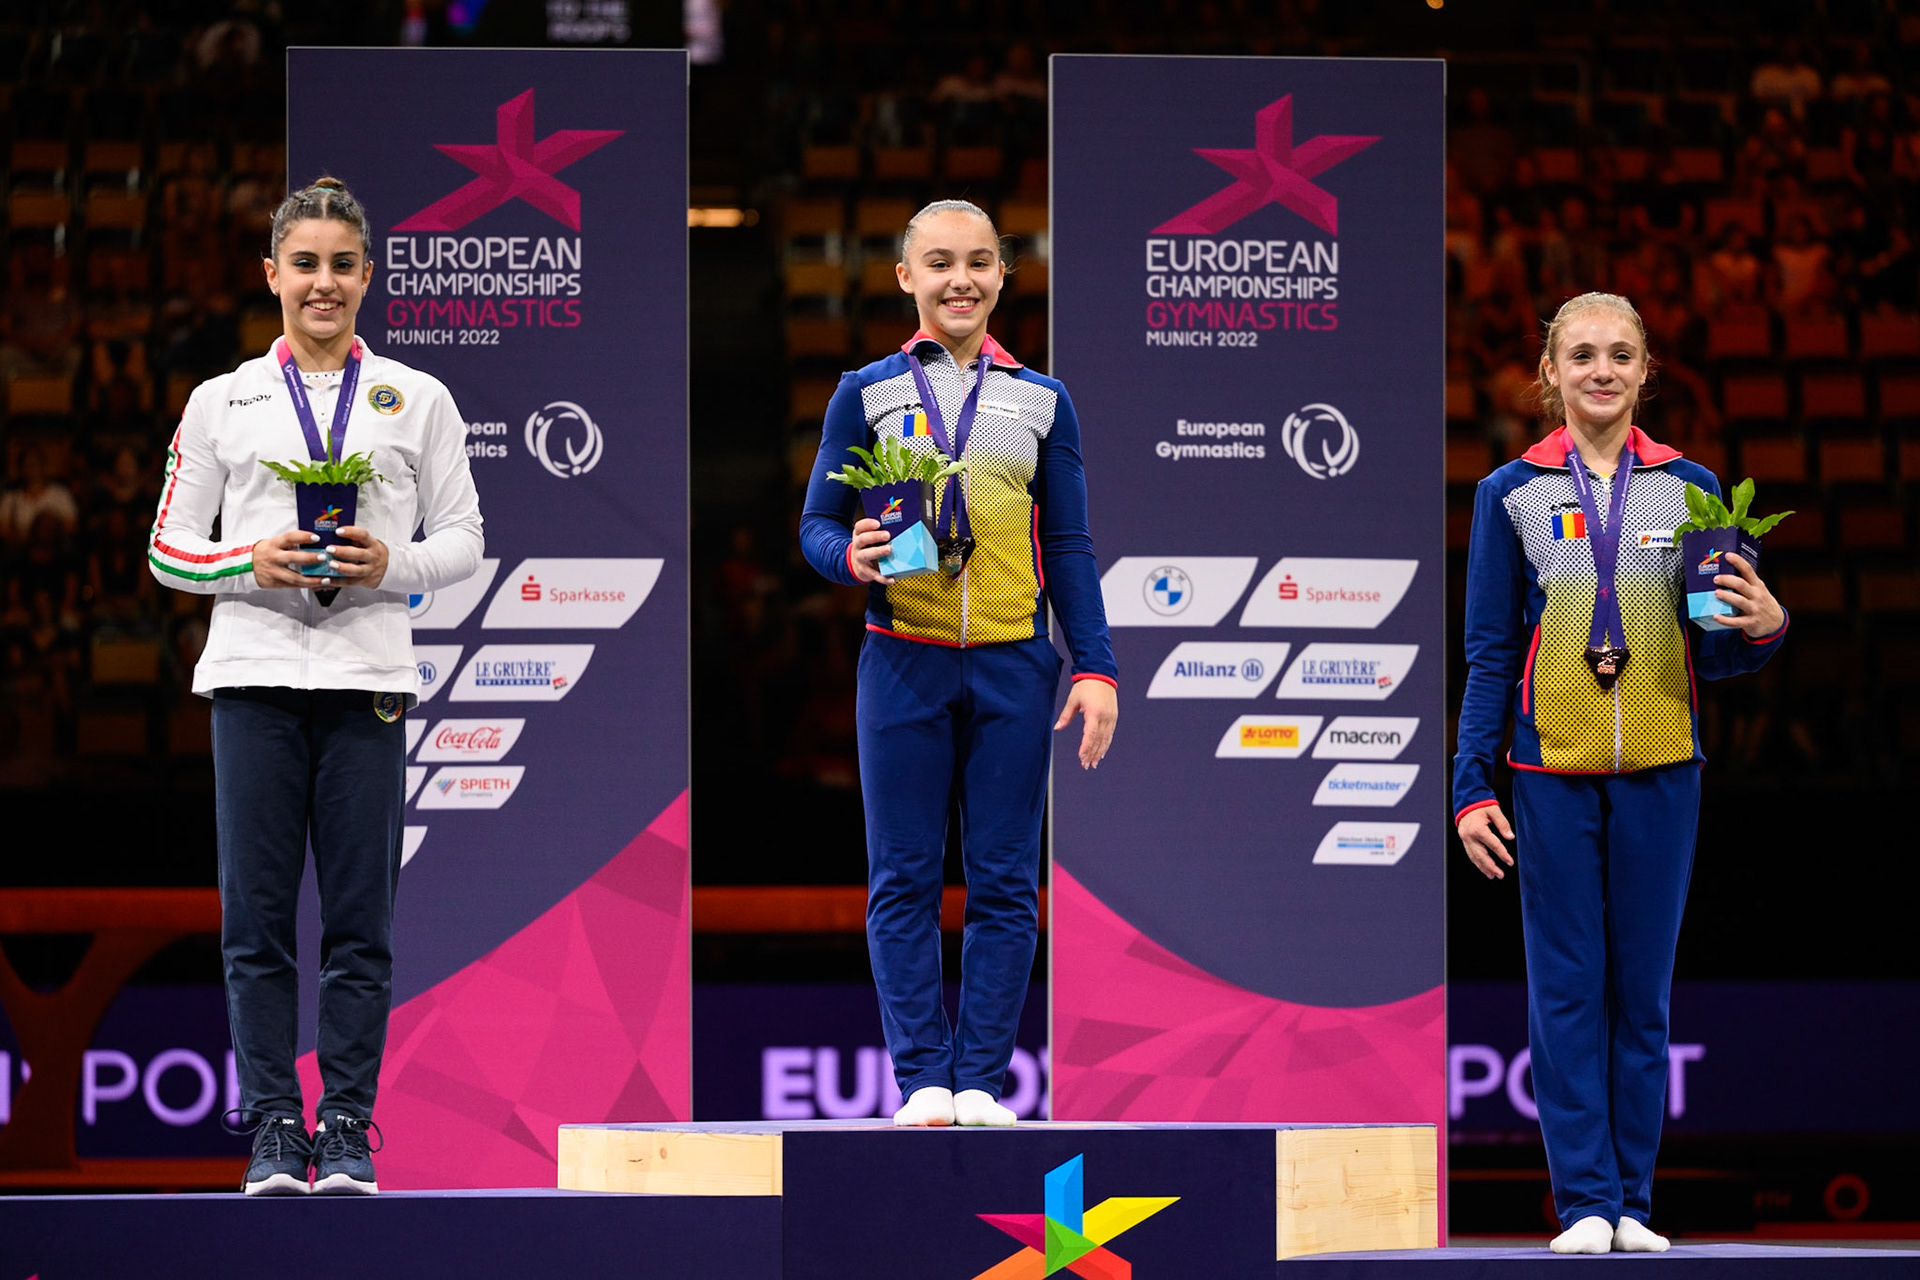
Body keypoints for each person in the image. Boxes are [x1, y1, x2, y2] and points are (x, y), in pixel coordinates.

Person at [149, 177, 483, 1194]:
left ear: (368, 276)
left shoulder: (418, 398)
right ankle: (270, 1129)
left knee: (358, 923)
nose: (323, 282)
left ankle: (344, 1125)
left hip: (367, 679)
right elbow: (169, 550)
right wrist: (254, 560)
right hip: (252, 677)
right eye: (305, 263)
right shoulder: (222, 399)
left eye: (342, 264)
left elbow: (467, 540)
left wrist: (395, 566)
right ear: (272, 276)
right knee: (254, 922)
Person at [1453, 292, 1787, 1254]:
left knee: (1642, 994)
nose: (1602, 371)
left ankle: (1634, 1203)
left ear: (1647, 372)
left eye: (1621, 355)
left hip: (1661, 769)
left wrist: (1763, 630)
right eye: (1583, 355)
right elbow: (1488, 651)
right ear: (1549, 373)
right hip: (1548, 770)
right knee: (1565, 992)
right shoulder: (1508, 493)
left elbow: (1713, 652)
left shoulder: (1695, 490)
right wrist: (1473, 786)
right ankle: (1584, 1202)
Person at [799, 200, 1117, 1127]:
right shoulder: (864, 389)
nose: (960, 280)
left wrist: (1092, 666)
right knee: (903, 877)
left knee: (1006, 879)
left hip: (1016, 664)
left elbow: (1069, 544)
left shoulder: (1043, 399)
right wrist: (845, 556)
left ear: (1004, 275)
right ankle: (922, 1081)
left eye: (979, 262)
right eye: (938, 263)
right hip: (903, 658)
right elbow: (818, 524)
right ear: (906, 277)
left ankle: (981, 1081)